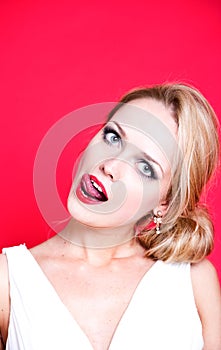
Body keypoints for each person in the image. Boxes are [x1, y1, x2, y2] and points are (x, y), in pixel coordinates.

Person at [0, 83, 221, 350]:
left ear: (164, 203)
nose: (110, 165)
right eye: (113, 137)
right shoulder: (8, 280)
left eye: (145, 167)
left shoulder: (193, 282)